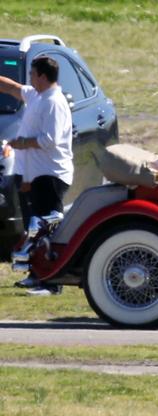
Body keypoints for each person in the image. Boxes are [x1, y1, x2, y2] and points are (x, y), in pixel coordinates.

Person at [0, 56, 73, 297]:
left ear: (42, 76)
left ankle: (52, 282)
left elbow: (49, 140)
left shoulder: (54, 102)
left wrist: (20, 143)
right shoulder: (36, 95)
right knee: (33, 229)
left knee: (47, 228)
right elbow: (12, 88)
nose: (29, 77)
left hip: (49, 175)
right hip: (30, 176)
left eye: (32, 73)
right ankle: (36, 275)